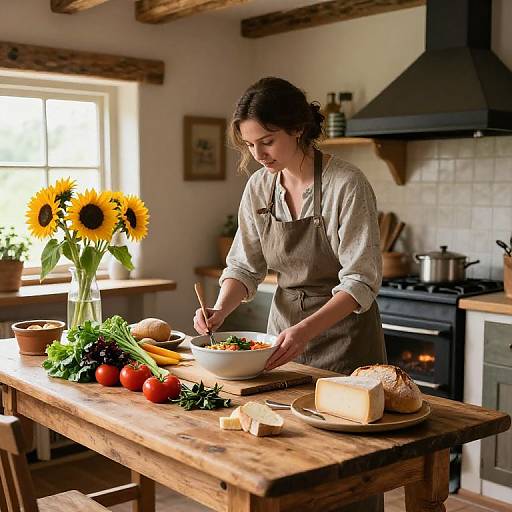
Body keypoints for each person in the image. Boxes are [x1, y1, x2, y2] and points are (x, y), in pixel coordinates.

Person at [193, 77, 386, 512]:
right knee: (286, 461)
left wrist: (305, 330)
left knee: (348, 472)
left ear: (297, 128)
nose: (258, 155)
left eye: (267, 141)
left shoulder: (345, 184)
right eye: (249, 145)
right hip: (283, 342)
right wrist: (221, 307)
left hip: (344, 342)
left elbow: (361, 281)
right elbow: (244, 265)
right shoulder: (260, 188)